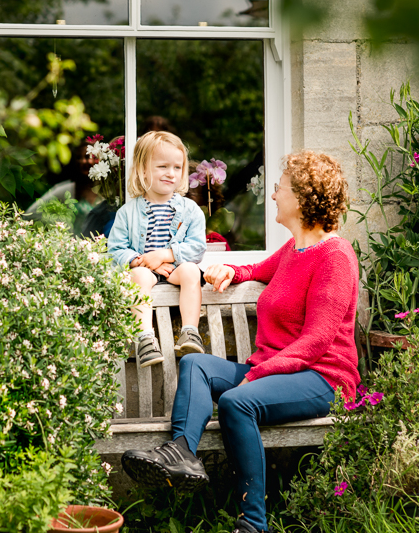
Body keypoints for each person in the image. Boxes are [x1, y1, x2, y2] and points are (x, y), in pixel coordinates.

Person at [121, 150, 360, 533]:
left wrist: (258, 374)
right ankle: (182, 453)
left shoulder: (335, 256)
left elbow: (316, 342)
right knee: (195, 364)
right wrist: (229, 270)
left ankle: (253, 523)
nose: (273, 196)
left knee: (237, 401)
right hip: (273, 371)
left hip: (322, 378)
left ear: (300, 199)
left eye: (279, 189)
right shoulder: (294, 250)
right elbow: (255, 269)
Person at [107, 131, 207, 368]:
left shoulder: (191, 210)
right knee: (139, 276)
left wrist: (164, 255)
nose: (171, 173)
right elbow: (115, 250)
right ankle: (145, 339)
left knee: (192, 271)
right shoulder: (128, 212)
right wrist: (141, 260)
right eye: (162, 166)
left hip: (176, 270)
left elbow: (197, 247)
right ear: (143, 170)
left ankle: (190, 332)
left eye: (177, 167)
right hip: (146, 271)